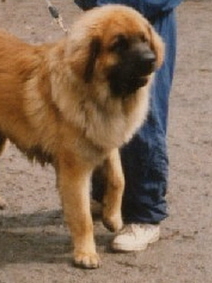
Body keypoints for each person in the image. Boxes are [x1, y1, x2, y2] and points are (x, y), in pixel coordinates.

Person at [75, 0, 183, 252]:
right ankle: (105, 196)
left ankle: (144, 215)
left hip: (146, 12)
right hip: (105, 17)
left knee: (144, 118)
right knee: (100, 109)